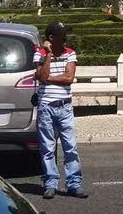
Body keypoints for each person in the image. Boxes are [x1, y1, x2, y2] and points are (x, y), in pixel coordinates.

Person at [34, 21, 87, 200]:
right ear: (51, 38)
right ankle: (50, 184)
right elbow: (42, 77)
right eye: (62, 35)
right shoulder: (40, 53)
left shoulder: (70, 53)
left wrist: (47, 78)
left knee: (70, 147)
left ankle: (74, 184)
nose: (65, 38)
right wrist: (48, 55)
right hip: (46, 107)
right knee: (47, 148)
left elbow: (69, 78)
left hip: (64, 106)